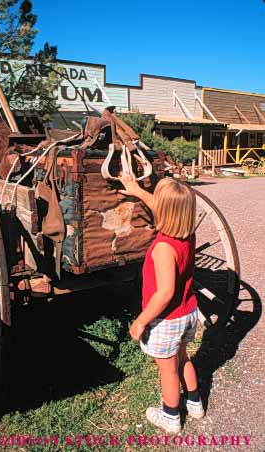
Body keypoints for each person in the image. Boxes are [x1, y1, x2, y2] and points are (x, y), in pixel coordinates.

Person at [119, 175, 204, 434]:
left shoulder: (163, 247)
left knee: (168, 370)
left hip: (168, 319)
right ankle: (195, 402)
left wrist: (141, 321)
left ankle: (170, 416)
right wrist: (137, 191)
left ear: (163, 213)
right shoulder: (187, 233)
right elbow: (164, 205)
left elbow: (165, 292)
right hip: (188, 311)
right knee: (182, 358)